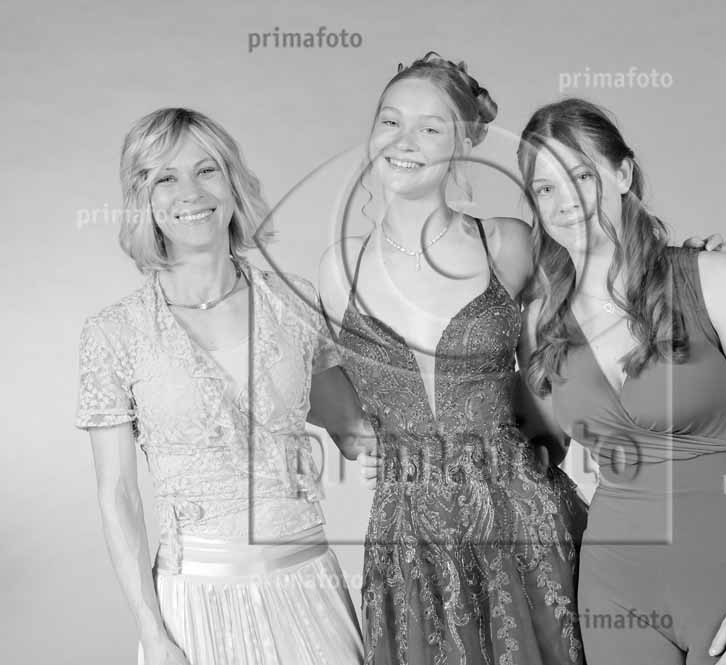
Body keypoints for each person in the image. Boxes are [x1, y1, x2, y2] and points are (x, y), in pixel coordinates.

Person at [516, 98, 726, 665]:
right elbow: (537, 450)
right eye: (544, 188)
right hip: (612, 589)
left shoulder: (714, 278)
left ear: (623, 174)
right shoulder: (540, 320)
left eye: (582, 176)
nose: (565, 201)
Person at [318, 53, 589, 665]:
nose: (404, 141)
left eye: (431, 128)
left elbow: (597, 308)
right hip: (409, 542)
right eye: (390, 121)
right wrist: (364, 442)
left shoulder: (507, 243)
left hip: (524, 525)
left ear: (464, 142)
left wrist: (689, 264)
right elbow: (324, 394)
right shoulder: (340, 268)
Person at [76, 108, 368, 665]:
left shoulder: (295, 301)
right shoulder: (114, 333)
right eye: (165, 177)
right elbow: (118, 496)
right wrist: (153, 634)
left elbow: (358, 436)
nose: (191, 192)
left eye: (206, 169)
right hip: (194, 604)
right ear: (143, 199)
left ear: (233, 181)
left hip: (308, 590)